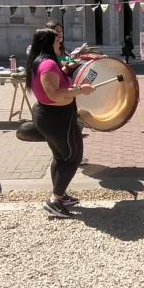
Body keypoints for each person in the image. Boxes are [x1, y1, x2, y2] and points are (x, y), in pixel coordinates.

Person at [26, 28, 95, 218]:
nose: (60, 45)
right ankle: (55, 201)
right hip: (57, 117)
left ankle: (60, 195)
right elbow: (54, 94)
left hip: (50, 115)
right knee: (72, 157)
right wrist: (81, 90)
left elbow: (55, 83)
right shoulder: (47, 64)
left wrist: (68, 70)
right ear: (49, 43)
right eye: (57, 41)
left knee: (59, 157)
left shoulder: (39, 62)